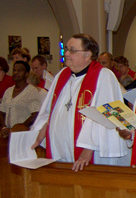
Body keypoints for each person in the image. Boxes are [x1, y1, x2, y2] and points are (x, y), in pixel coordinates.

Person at [30, 33, 128, 171]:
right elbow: (48, 111)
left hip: (89, 155)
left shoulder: (103, 76)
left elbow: (105, 117)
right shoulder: (62, 75)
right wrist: (40, 132)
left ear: (88, 55)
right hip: (59, 149)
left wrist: (87, 150)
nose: (67, 53)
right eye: (66, 49)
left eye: (72, 50)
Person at [0, 61, 40, 138]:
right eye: (14, 70)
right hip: (7, 133)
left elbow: (35, 115)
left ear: (26, 74)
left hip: (23, 134)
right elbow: (1, 113)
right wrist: (5, 128)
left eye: (20, 70)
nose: (16, 72)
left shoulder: (31, 91)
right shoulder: (8, 91)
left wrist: (16, 129)